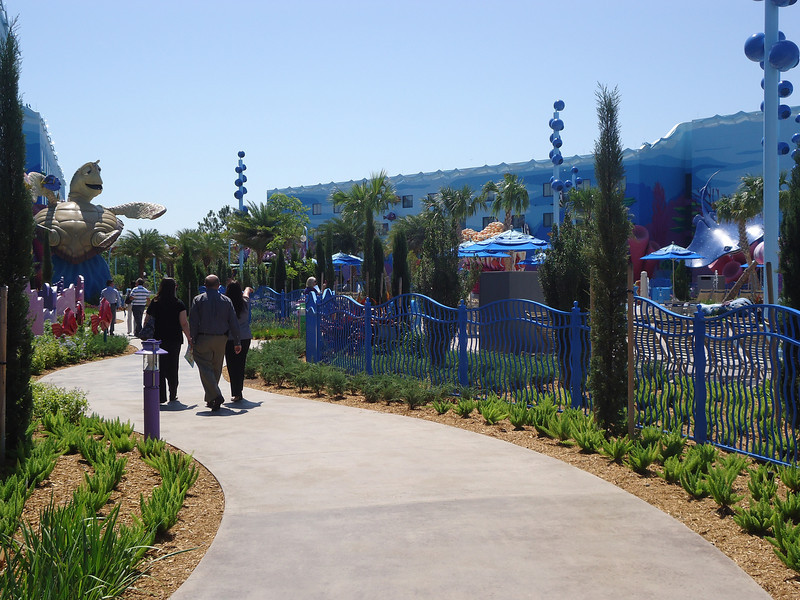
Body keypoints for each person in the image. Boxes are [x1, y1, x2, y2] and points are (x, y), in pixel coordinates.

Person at [189, 274, 241, 411]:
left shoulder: (198, 300)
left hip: (203, 337)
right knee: (216, 367)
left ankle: (215, 396)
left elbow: (193, 322)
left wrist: (191, 339)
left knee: (204, 367)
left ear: (205, 286)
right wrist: (237, 341)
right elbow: (233, 322)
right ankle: (211, 398)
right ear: (219, 286)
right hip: (221, 339)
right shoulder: (226, 301)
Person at [142, 278, 191, 404]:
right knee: (173, 366)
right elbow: (184, 323)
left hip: (158, 339)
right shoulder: (179, 303)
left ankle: (161, 395)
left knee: (160, 367)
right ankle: (173, 394)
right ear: (175, 287)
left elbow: (147, 319)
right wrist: (189, 338)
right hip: (174, 339)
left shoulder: (155, 302)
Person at [224, 281, 253, 402]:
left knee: (231, 364)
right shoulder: (244, 303)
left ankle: (235, 392)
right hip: (245, 337)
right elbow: (246, 295)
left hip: (229, 338)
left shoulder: (225, 304)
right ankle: (239, 391)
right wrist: (247, 289)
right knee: (241, 364)